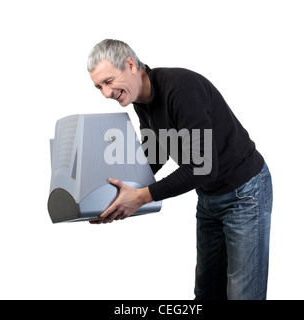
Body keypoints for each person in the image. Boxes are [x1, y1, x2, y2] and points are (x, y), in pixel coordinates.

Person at [87, 39, 273, 300]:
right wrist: (113, 196)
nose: (105, 93)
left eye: (108, 81)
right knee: (206, 294)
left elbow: (202, 167)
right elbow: (156, 153)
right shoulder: (141, 100)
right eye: (99, 87)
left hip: (245, 194)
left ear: (130, 64)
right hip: (209, 198)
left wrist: (140, 197)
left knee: (243, 296)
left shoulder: (181, 89)